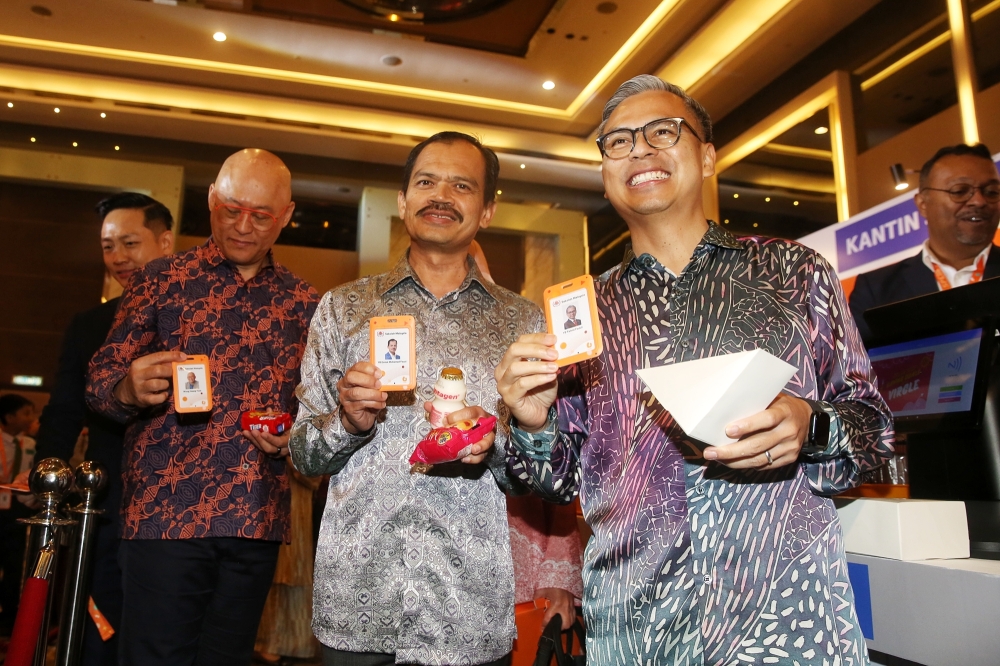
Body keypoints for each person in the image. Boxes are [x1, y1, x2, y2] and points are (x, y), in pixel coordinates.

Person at [496, 75, 894, 665]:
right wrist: (532, 424)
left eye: (662, 131)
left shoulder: (796, 273)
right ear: (605, 174)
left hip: (787, 623)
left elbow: (875, 434)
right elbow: (556, 483)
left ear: (707, 158)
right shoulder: (581, 312)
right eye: (619, 141)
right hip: (637, 630)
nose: (640, 150)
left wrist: (809, 424)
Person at [289, 131, 542, 666]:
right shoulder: (343, 308)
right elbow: (303, 454)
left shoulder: (523, 322)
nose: (440, 196)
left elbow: (540, 474)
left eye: (462, 186)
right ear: (403, 201)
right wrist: (348, 422)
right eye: (426, 182)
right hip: (357, 601)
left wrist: (494, 445)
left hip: (467, 608)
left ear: (487, 210)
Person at [86, 149, 319, 666]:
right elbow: (100, 380)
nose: (243, 226)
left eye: (261, 216)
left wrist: (296, 437)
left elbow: (317, 410)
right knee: (154, 657)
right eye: (231, 209)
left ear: (285, 215)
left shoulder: (304, 303)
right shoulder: (160, 280)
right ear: (211, 199)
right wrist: (127, 388)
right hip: (164, 516)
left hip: (255, 517)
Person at [32, 191, 174, 665]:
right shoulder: (89, 325)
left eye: (130, 243)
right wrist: (44, 477)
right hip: (104, 502)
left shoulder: (195, 319)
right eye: (108, 246)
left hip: (176, 509)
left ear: (165, 242)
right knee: (97, 628)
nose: (118, 258)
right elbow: (63, 412)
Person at [849, 143, 1000, 344]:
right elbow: (856, 361)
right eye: (960, 191)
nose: (979, 201)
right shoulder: (876, 289)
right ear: (922, 204)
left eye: (991, 191)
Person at [0, 394, 37, 634]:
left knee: (15, 564)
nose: (31, 418)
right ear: (9, 416)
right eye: (26, 413)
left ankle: (9, 619)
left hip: (18, 508)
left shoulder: (31, 444)